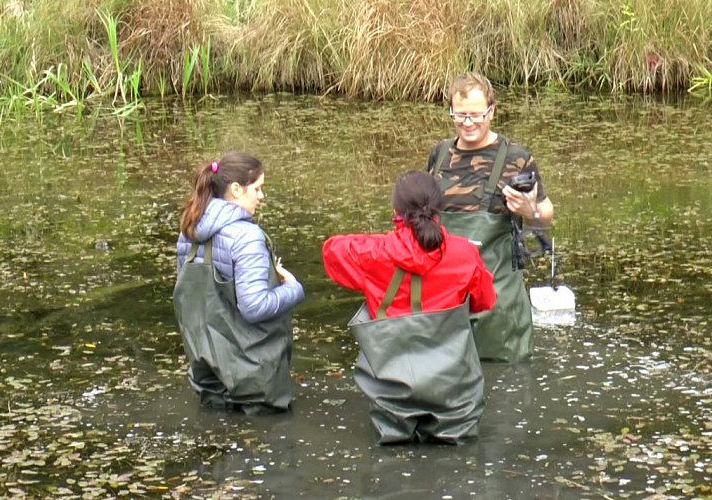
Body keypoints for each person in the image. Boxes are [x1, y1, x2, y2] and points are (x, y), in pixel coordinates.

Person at [322, 171, 496, 444]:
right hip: (453, 391)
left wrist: (383, 243)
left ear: (395, 210)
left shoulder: (372, 253)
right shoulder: (465, 253)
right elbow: (485, 302)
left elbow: (331, 250)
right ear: (439, 209)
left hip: (391, 389)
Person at [426, 72, 555, 363]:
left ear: (492, 111)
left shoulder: (516, 158)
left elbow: (545, 214)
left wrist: (529, 211)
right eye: (460, 116)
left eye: (476, 115)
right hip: (446, 300)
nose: (467, 124)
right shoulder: (441, 153)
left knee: (504, 391)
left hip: (498, 302)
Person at [173, 151, 305, 415]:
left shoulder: (189, 230)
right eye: (257, 188)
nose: (261, 196)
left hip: (207, 375)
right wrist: (293, 289)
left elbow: (190, 299)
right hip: (254, 379)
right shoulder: (247, 237)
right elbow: (254, 307)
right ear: (236, 189)